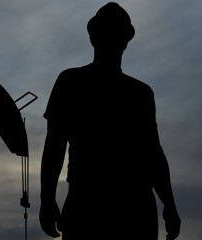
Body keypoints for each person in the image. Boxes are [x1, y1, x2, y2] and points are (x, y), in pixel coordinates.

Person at [39, 2, 181, 240]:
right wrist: (47, 199)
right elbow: (54, 145)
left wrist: (170, 203)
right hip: (93, 205)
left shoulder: (139, 93)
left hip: (127, 208)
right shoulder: (71, 82)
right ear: (95, 38)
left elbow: (153, 153)